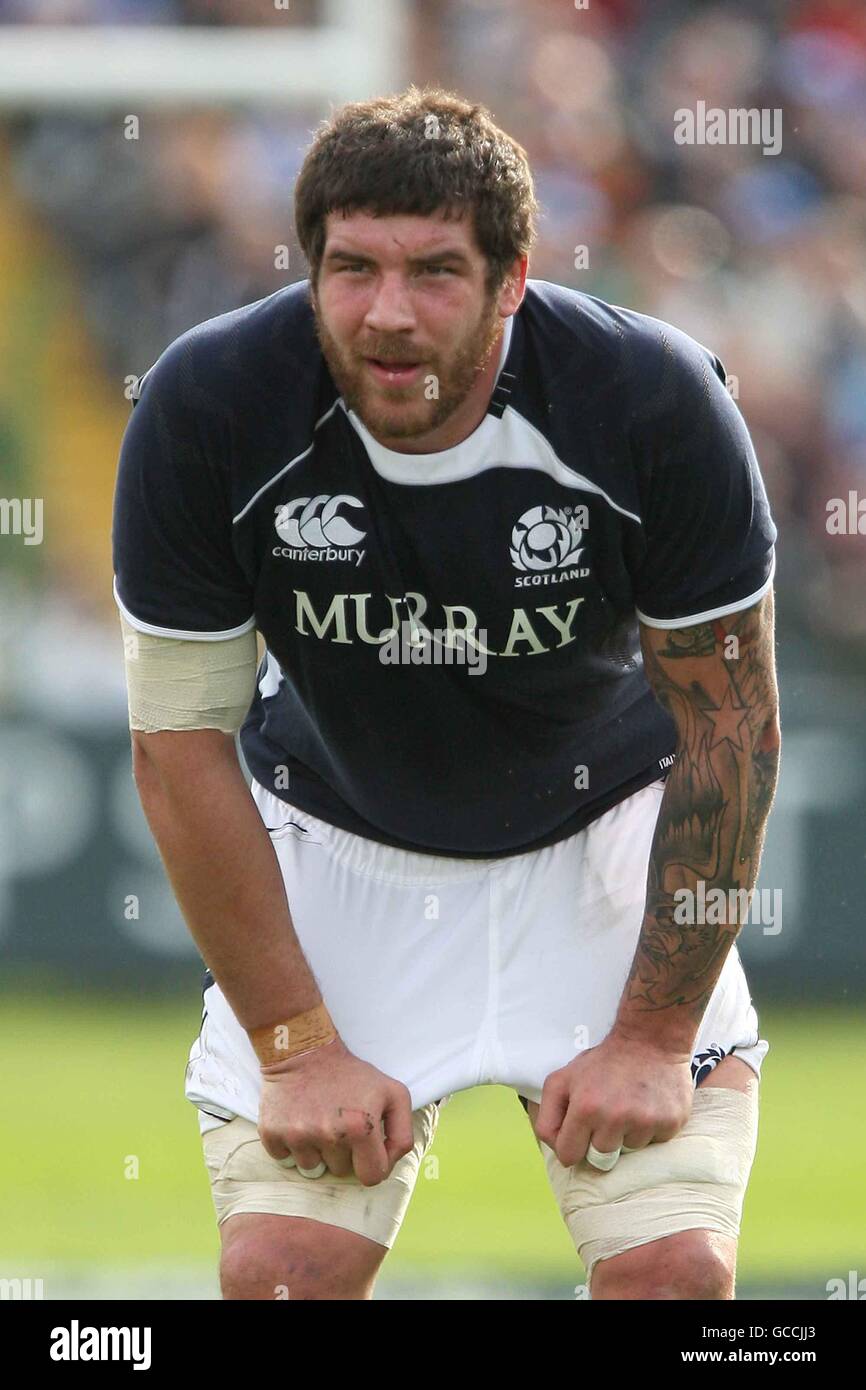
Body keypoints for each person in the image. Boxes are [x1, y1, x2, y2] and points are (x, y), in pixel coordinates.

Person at [112, 85, 780, 1301]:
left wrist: (647, 1037)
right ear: (308, 267)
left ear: (511, 279)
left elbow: (727, 727)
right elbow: (178, 745)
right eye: (351, 268)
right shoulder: (207, 404)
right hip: (338, 832)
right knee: (280, 1275)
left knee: (675, 1281)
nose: (386, 314)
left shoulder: (651, 398)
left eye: (433, 272)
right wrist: (298, 1047)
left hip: (604, 834)